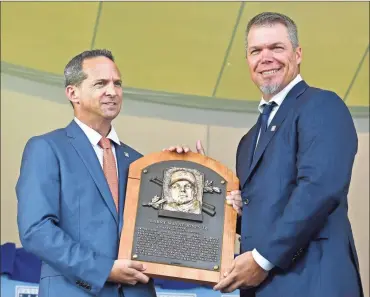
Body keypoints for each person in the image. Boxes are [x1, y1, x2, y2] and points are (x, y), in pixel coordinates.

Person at [167, 12, 364, 297]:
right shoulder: (248, 141)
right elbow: (259, 221)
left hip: (314, 284)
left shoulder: (322, 105)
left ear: (298, 54)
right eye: (256, 51)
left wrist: (262, 259)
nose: (265, 57)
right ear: (248, 61)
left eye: (276, 48)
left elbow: (320, 189)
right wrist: (215, 194)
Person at [16, 49, 157, 297]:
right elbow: (36, 230)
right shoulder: (47, 148)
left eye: (117, 83)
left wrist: (181, 166)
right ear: (73, 93)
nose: (112, 92)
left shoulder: (140, 162)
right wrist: (103, 270)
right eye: (101, 83)